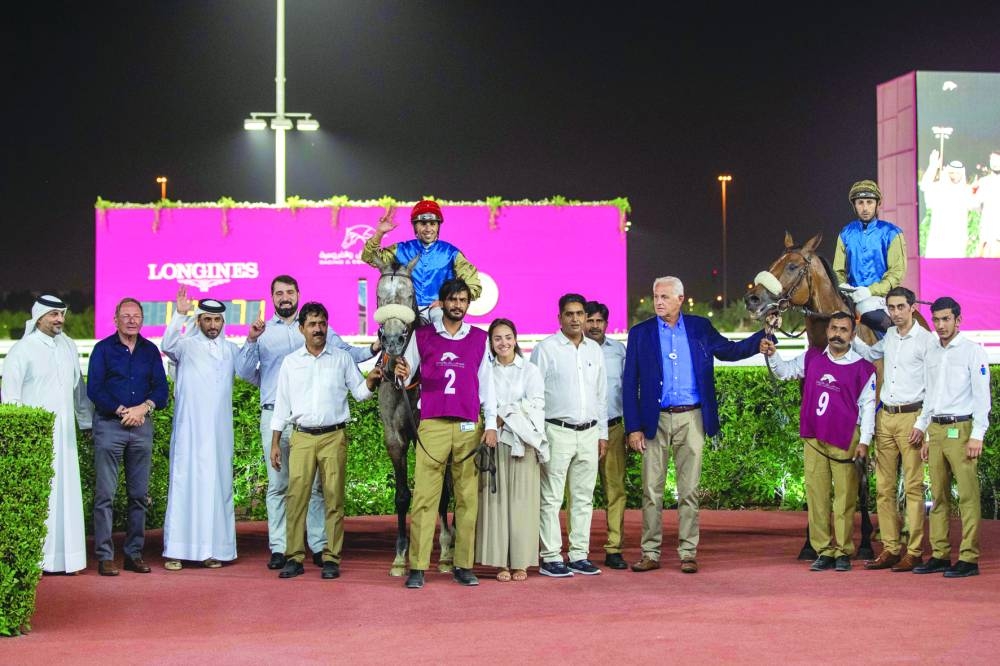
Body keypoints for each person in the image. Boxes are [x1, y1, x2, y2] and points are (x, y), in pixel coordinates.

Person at [625, 277, 768, 574]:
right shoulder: (640, 333)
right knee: (651, 491)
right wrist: (633, 427)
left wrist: (760, 338)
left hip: (693, 417)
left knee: (689, 490)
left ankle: (688, 552)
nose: (659, 301)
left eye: (665, 296)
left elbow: (728, 351)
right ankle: (650, 552)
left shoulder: (700, 327)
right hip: (655, 420)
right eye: (656, 296)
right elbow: (630, 384)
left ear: (680, 298)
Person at [236, 274, 375, 570]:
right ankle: (281, 548)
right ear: (272, 298)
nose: (285, 297)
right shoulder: (264, 334)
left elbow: (349, 357)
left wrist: (375, 353)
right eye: (279, 293)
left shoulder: (327, 338)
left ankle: (319, 545)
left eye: (289, 292)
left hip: (321, 427)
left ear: (298, 294)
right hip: (277, 415)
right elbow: (245, 372)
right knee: (280, 486)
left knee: (316, 491)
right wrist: (250, 340)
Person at [393, 278, 497, 589]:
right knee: (425, 497)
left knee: (466, 498)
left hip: (467, 425)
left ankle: (463, 564)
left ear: (468, 304)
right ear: (443, 302)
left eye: (463, 300)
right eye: (452, 299)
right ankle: (419, 566)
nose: (457, 305)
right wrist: (400, 374)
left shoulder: (479, 339)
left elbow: (487, 387)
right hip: (433, 424)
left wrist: (490, 425)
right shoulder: (423, 336)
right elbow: (406, 377)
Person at [269, 302, 383, 580]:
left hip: (334, 436)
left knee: (333, 499)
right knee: (296, 499)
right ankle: (294, 557)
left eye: (322, 323)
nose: (318, 329)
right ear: (301, 329)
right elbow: (281, 406)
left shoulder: (341, 358)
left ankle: (332, 557)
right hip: (301, 437)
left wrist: (372, 381)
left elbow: (359, 393)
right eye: (312, 324)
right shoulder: (291, 362)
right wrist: (274, 443)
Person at [761, 311, 876, 572]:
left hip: (845, 439)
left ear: (852, 335)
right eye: (834, 328)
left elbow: (868, 408)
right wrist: (773, 354)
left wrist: (865, 442)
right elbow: (784, 372)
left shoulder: (863, 368)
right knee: (817, 496)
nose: (837, 333)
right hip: (814, 437)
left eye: (843, 329)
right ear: (827, 332)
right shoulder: (812, 357)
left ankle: (844, 550)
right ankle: (823, 549)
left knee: (845, 498)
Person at [1, 295, 93, 574]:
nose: (59, 320)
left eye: (62, 314)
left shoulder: (67, 346)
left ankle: (70, 559)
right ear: (39, 316)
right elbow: (10, 396)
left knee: (67, 496)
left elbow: (79, 392)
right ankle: (38, 561)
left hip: (65, 438)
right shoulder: (22, 350)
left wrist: (85, 424)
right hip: (35, 438)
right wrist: (17, 436)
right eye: (53, 315)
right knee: (44, 498)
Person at [851, 287, 935, 572]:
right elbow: (869, 352)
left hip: (912, 418)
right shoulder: (888, 339)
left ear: (912, 308)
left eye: (901, 307)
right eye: (892, 308)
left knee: (913, 487)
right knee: (884, 489)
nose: (896, 313)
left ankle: (913, 551)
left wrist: (923, 423)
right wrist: (850, 334)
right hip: (885, 416)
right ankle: (889, 548)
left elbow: (934, 387)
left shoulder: (927, 341)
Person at [87, 298, 169, 576]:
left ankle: (133, 554)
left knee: (138, 496)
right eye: (126, 316)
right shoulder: (102, 349)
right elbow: (94, 389)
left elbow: (161, 390)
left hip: (141, 427)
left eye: (136, 316)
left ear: (142, 320)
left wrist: (143, 408)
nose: (132, 320)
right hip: (110, 426)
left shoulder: (150, 351)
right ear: (116, 319)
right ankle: (105, 556)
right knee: (105, 496)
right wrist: (123, 410)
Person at [160, 290, 241, 570]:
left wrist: (253, 339)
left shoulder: (231, 350)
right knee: (186, 486)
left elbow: (250, 369)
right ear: (199, 320)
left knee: (216, 489)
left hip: (219, 435)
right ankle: (176, 551)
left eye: (217, 320)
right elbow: (167, 343)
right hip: (190, 433)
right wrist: (180, 313)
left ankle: (211, 550)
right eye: (207, 320)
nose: (213, 326)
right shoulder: (185, 346)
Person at [911, 297, 992, 578]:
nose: (941, 325)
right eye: (937, 320)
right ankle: (940, 554)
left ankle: (969, 558)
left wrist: (977, 435)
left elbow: (983, 397)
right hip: (936, 429)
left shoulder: (973, 351)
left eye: (946, 319)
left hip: (963, 430)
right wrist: (924, 431)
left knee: (968, 496)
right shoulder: (932, 352)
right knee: (938, 496)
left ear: (958, 320)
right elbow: (929, 394)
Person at [529, 293, 607, 578]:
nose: (576, 319)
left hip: (589, 433)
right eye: (570, 314)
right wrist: (539, 436)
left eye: (580, 314)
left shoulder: (594, 351)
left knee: (583, 498)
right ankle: (550, 556)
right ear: (559, 317)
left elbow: (601, 396)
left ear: (586, 317)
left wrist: (602, 434)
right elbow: (533, 396)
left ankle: (578, 555)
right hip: (556, 431)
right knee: (551, 498)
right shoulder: (546, 349)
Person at [475, 318, 547, 582]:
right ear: (491, 344)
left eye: (507, 337)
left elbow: (536, 404)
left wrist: (503, 414)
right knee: (495, 503)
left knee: (522, 504)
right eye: (497, 339)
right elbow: (482, 404)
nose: (503, 343)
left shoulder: (530, 370)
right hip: (494, 443)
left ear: (515, 339)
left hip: (523, 444)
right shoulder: (486, 371)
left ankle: (521, 562)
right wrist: (498, 418)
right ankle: (500, 562)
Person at [361, 200, 482, 324]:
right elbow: (369, 257)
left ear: (438, 226)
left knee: (439, 317)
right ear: (415, 226)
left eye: (433, 223)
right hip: (405, 310)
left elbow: (473, 286)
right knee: (388, 331)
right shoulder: (401, 249)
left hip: (439, 311)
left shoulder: (451, 253)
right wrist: (379, 233)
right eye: (423, 223)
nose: (428, 228)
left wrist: (448, 300)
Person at [584, 300, 629, 570]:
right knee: (580, 493)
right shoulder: (574, 351)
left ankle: (614, 548)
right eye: (590, 320)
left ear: (606, 323)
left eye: (599, 321)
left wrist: (631, 427)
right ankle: (579, 549)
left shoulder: (619, 352)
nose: (594, 325)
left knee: (615, 491)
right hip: (582, 431)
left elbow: (627, 392)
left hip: (613, 428)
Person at [833, 179, 907, 335]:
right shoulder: (845, 233)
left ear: (878, 204)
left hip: (881, 299)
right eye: (860, 203)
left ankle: (898, 344)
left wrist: (870, 291)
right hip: (850, 298)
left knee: (868, 311)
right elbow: (837, 271)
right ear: (854, 206)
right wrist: (845, 287)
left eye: (869, 202)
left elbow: (897, 272)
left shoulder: (892, 233)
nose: (865, 208)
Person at [920, 150, 975, 258]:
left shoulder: (967, 191)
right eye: (952, 172)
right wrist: (932, 166)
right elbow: (925, 186)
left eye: (957, 173)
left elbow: (974, 205)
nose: (954, 175)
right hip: (939, 238)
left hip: (957, 239)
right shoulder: (939, 188)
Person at [972, 149, 1000, 257]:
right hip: (987, 233)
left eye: (998, 159)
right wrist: (973, 191)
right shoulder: (984, 182)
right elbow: (974, 205)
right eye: (993, 159)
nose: (995, 162)